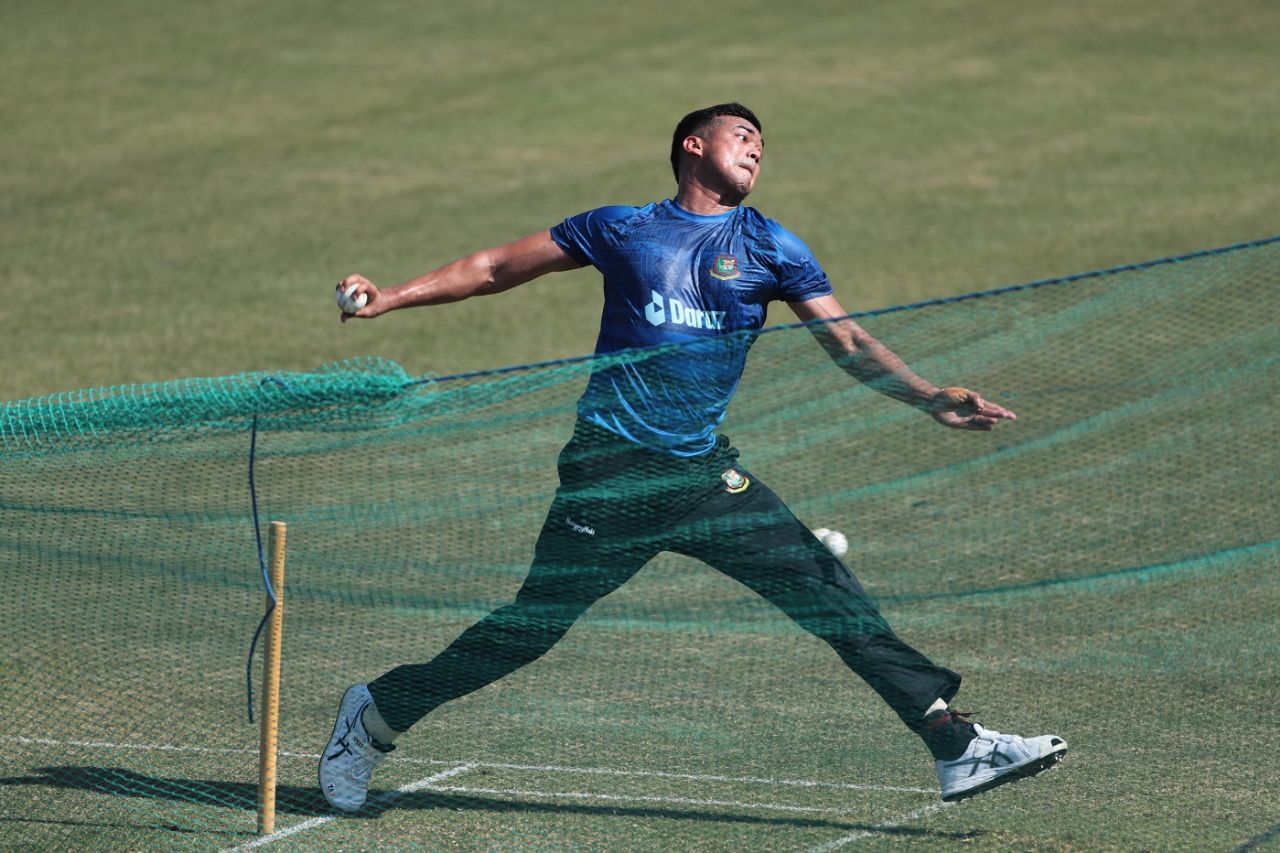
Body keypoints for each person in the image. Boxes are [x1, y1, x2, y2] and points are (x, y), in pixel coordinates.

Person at [319, 103, 1066, 813]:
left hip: (703, 475)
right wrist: (390, 298)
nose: (755, 149)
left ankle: (954, 742)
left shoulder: (773, 246)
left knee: (825, 587)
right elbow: (492, 267)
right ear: (693, 146)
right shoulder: (624, 228)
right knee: (529, 630)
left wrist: (926, 394)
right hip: (610, 472)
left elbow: (847, 342)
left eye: (762, 146)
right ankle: (379, 713)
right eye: (741, 135)